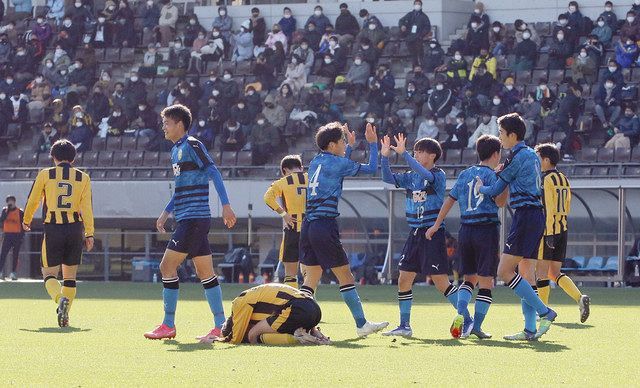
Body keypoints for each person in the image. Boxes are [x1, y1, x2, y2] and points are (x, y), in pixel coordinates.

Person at [143, 105, 236, 342]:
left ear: (179, 124)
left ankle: (168, 324)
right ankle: (220, 326)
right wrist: (166, 211)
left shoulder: (192, 145)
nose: (163, 127)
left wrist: (225, 204)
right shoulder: (176, 151)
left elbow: (213, 171)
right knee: (205, 272)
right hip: (188, 217)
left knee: (166, 267)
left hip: (194, 218)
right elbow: (183, 187)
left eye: (167, 123)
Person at [300, 122, 388, 336]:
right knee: (345, 276)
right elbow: (371, 168)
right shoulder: (336, 163)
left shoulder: (316, 161)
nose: (344, 144)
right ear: (331, 145)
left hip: (308, 224)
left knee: (310, 280)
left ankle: (297, 324)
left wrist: (349, 146)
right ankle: (361, 324)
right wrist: (373, 145)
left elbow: (338, 163)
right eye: (341, 142)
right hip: (324, 224)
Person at [475, 113, 557, 341]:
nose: (500, 138)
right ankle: (530, 330)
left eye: (501, 133)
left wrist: (481, 186)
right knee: (526, 273)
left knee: (504, 271)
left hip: (524, 217)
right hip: (536, 216)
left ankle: (545, 312)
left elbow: (494, 191)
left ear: (512, 135)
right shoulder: (532, 154)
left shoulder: (515, 157)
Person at [426, 134, 508, 339]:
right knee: (486, 282)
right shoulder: (494, 176)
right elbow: (500, 203)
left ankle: (462, 314)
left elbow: (450, 200)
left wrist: (437, 225)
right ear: (496, 154)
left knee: (468, 279)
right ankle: (477, 327)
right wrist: (506, 181)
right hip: (486, 230)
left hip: (466, 231)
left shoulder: (465, 174)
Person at [380, 134, 460, 337]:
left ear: (433, 155)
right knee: (404, 279)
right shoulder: (410, 176)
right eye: (415, 151)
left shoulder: (438, 175)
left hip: (432, 234)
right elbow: (387, 178)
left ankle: (468, 318)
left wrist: (404, 154)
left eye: (420, 151)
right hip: (415, 233)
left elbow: (423, 172)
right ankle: (404, 325)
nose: (417, 154)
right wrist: (384, 157)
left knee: (441, 282)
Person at [22, 140, 95, 327]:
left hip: (53, 227)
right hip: (74, 228)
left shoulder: (46, 174)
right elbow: (87, 208)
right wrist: (89, 233)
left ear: (53, 157)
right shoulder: (83, 178)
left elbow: (33, 199)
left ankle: (59, 299)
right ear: (74, 158)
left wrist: (26, 220)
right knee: (70, 277)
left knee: (49, 275)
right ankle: (65, 315)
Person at [534, 143, 590, 324]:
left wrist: (548, 232)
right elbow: (566, 205)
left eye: (538, 158)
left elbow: (548, 207)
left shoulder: (545, 180)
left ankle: (543, 312)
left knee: (541, 274)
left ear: (546, 160)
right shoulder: (564, 179)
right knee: (554, 273)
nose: (537, 162)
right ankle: (579, 297)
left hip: (547, 231)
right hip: (562, 229)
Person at [215, 283, 329, 345]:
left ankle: (299, 338)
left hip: (297, 308)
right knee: (275, 329)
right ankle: (319, 337)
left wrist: (217, 340)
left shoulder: (239, 303)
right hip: (314, 308)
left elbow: (238, 338)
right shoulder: (256, 297)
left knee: (255, 334)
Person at [263, 155, 307, 288]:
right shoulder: (311, 178)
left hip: (292, 227)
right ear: (301, 168)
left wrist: (283, 214)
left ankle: (293, 302)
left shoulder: (282, 182)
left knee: (290, 273)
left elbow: (267, 198)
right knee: (310, 271)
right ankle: (310, 300)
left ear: (284, 170)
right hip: (311, 227)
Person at [399, 0, 431, 66]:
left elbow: (427, 27)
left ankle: (421, 68)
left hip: (418, 39)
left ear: (421, 6)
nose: (417, 5)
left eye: (419, 4)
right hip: (409, 38)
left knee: (420, 54)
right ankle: (414, 68)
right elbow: (401, 20)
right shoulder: (410, 14)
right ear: (414, 5)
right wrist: (402, 26)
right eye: (416, 4)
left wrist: (421, 35)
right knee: (413, 55)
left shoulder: (424, 16)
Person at [0, 196, 25, 280]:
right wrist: (7, 212)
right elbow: (1, 220)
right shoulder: (5, 211)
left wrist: (22, 236)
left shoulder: (20, 212)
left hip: (17, 236)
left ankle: (13, 273)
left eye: (11, 201)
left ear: (14, 202)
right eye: (8, 201)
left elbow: (23, 224)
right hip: (7, 235)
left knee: (15, 255)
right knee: (3, 254)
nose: (10, 203)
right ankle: (0, 272)